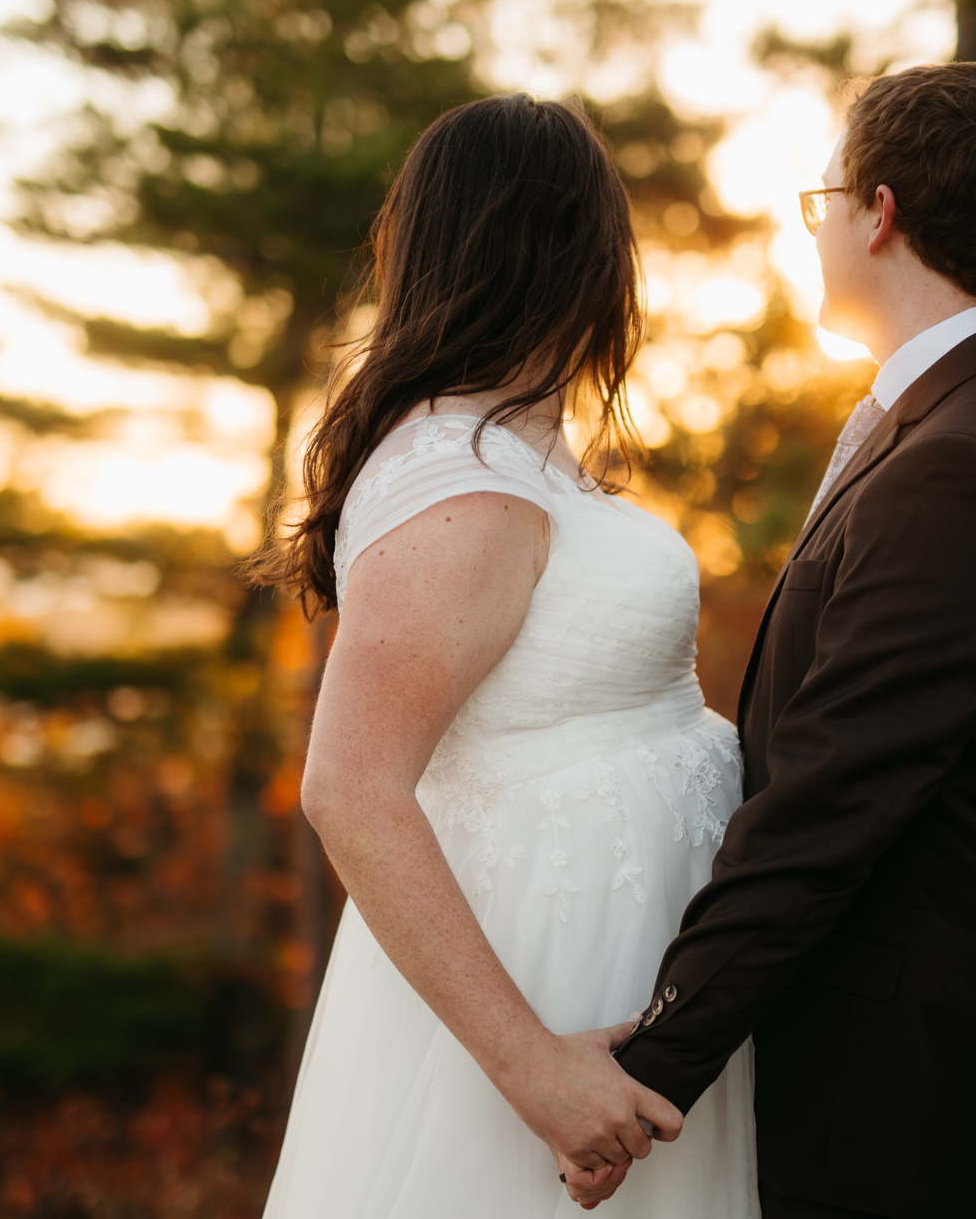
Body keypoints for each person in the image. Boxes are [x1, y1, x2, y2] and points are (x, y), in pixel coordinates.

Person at [571, 61, 976, 1218]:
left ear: (880, 213)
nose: (812, 237)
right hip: (922, 1047)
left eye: (820, 205)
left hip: (908, 1077)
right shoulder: (972, 409)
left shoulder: (960, 458)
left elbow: (831, 798)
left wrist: (653, 1066)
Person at [257, 92, 760, 1218]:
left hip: (616, 967)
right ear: (565, 247)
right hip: (546, 985)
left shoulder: (515, 441)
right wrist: (532, 1068)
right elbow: (350, 786)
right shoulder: (464, 476)